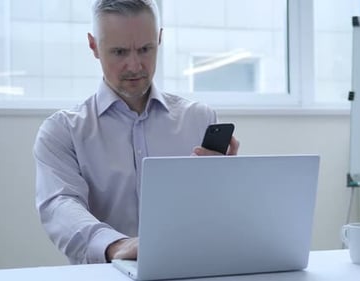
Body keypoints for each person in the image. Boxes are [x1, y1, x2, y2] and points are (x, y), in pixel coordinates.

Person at [33, 0, 239, 264]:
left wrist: (230, 184)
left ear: (159, 39)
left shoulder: (200, 120)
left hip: (188, 269)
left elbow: (218, 215)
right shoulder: (62, 132)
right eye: (119, 52)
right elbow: (60, 205)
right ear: (94, 46)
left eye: (145, 49)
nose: (134, 65)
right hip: (106, 274)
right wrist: (116, 245)